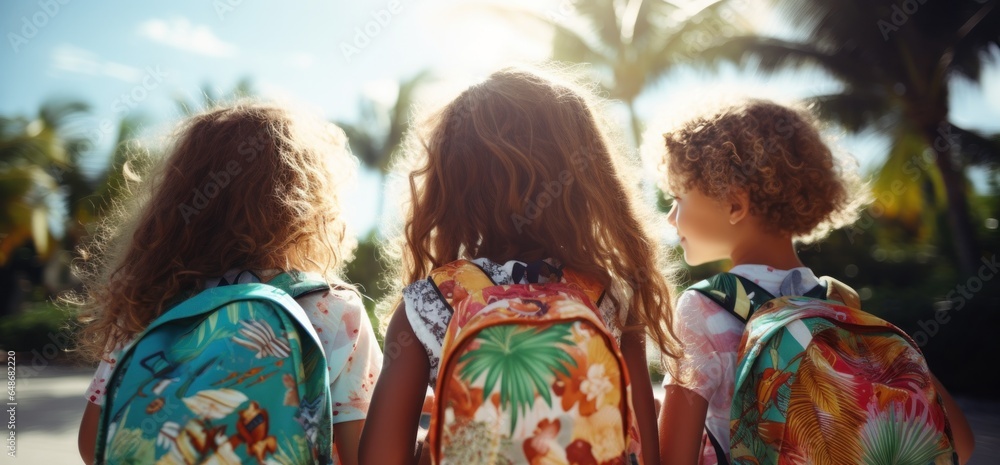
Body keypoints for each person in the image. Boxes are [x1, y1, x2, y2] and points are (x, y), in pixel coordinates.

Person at [358, 66, 682, 465]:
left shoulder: (429, 305)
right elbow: (643, 453)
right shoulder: (611, 295)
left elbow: (379, 459)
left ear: (453, 185)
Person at [653, 98, 975, 464]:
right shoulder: (839, 302)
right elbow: (960, 443)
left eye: (677, 198)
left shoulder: (703, 307)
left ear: (734, 205)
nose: (670, 218)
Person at [72, 101, 382, 465]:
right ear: (305, 204)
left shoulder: (150, 300)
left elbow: (93, 442)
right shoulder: (333, 310)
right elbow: (365, 456)